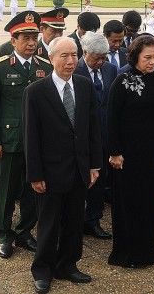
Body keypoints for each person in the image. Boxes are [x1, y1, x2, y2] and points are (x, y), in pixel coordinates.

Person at [24, 37, 102, 293]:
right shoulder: (35, 91)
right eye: (64, 56)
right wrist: (35, 174)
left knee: (73, 220)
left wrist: (94, 165)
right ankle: (43, 270)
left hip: (79, 168)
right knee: (48, 223)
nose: (70, 61)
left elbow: (92, 128)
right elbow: (31, 137)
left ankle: (68, 264)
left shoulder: (84, 85)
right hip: (50, 170)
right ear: (50, 58)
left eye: (74, 55)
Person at [0, 11, 52, 259]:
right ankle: (4, 235)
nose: (32, 42)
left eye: (34, 37)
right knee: (6, 190)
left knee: (33, 190)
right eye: (26, 37)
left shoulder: (45, 67)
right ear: (14, 41)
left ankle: (24, 232)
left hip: (37, 142)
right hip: (9, 141)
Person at [107, 35, 154, 267]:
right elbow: (112, 119)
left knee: (147, 202)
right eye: (147, 57)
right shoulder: (121, 81)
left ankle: (146, 252)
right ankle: (126, 253)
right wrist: (114, 151)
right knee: (127, 202)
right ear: (135, 57)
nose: (152, 61)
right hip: (126, 153)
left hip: (151, 151)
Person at [73, 32, 116, 241]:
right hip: (80, 136)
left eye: (104, 57)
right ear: (85, 52)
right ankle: (74, 220)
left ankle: (93, 220)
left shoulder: (110, 69)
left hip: (103, 135)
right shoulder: (74, 70)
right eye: (96, 58)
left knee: (99, 179)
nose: (100, 62)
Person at [0, 7, 69, 58]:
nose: (57, 35)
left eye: (60, 31)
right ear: (41, 29)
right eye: (53, 31)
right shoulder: (8, 49)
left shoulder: (66, 51)